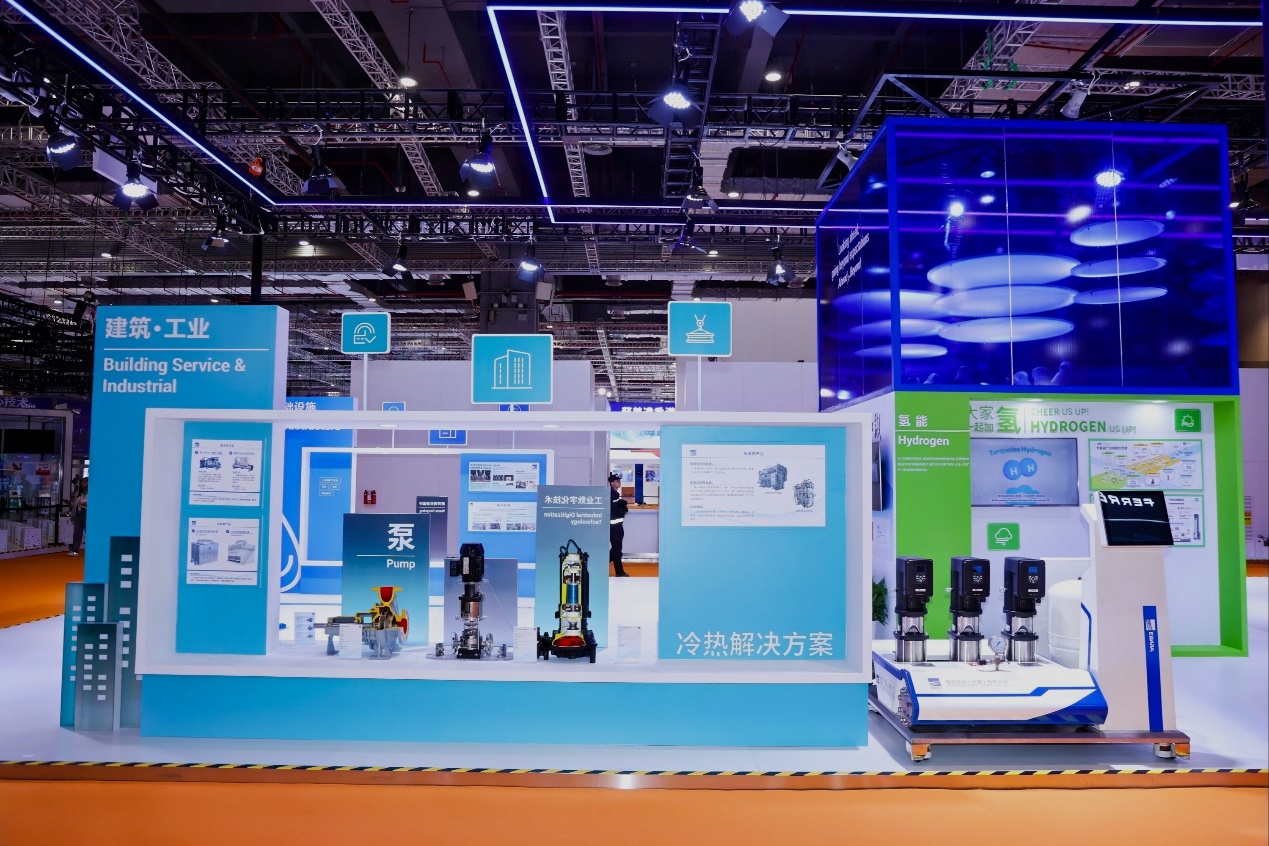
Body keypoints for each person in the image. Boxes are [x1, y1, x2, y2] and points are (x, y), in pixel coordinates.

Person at [608, 472, 629, 577]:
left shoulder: (615, 493)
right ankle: (619, 572)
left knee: (616, 548)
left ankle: (601, 563)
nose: (619, 482)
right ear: (611, 483)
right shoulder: (611, 494)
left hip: (617, 525)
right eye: (616, 481)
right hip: (614, 527)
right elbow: (614, 511)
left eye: (619, 480)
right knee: (617, 549)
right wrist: (622, 508)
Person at [68, 479, 87, 556]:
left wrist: (86, 504)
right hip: (78, 513)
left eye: (85, 482)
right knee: (77, 532)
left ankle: (92, 551)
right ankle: (75, 550)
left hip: (87, 513)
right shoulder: (78, 493)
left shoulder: (92, 493)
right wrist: (70, 504)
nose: (82, 484)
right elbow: (75, 505)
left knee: (89, 532)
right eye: (82, 482)